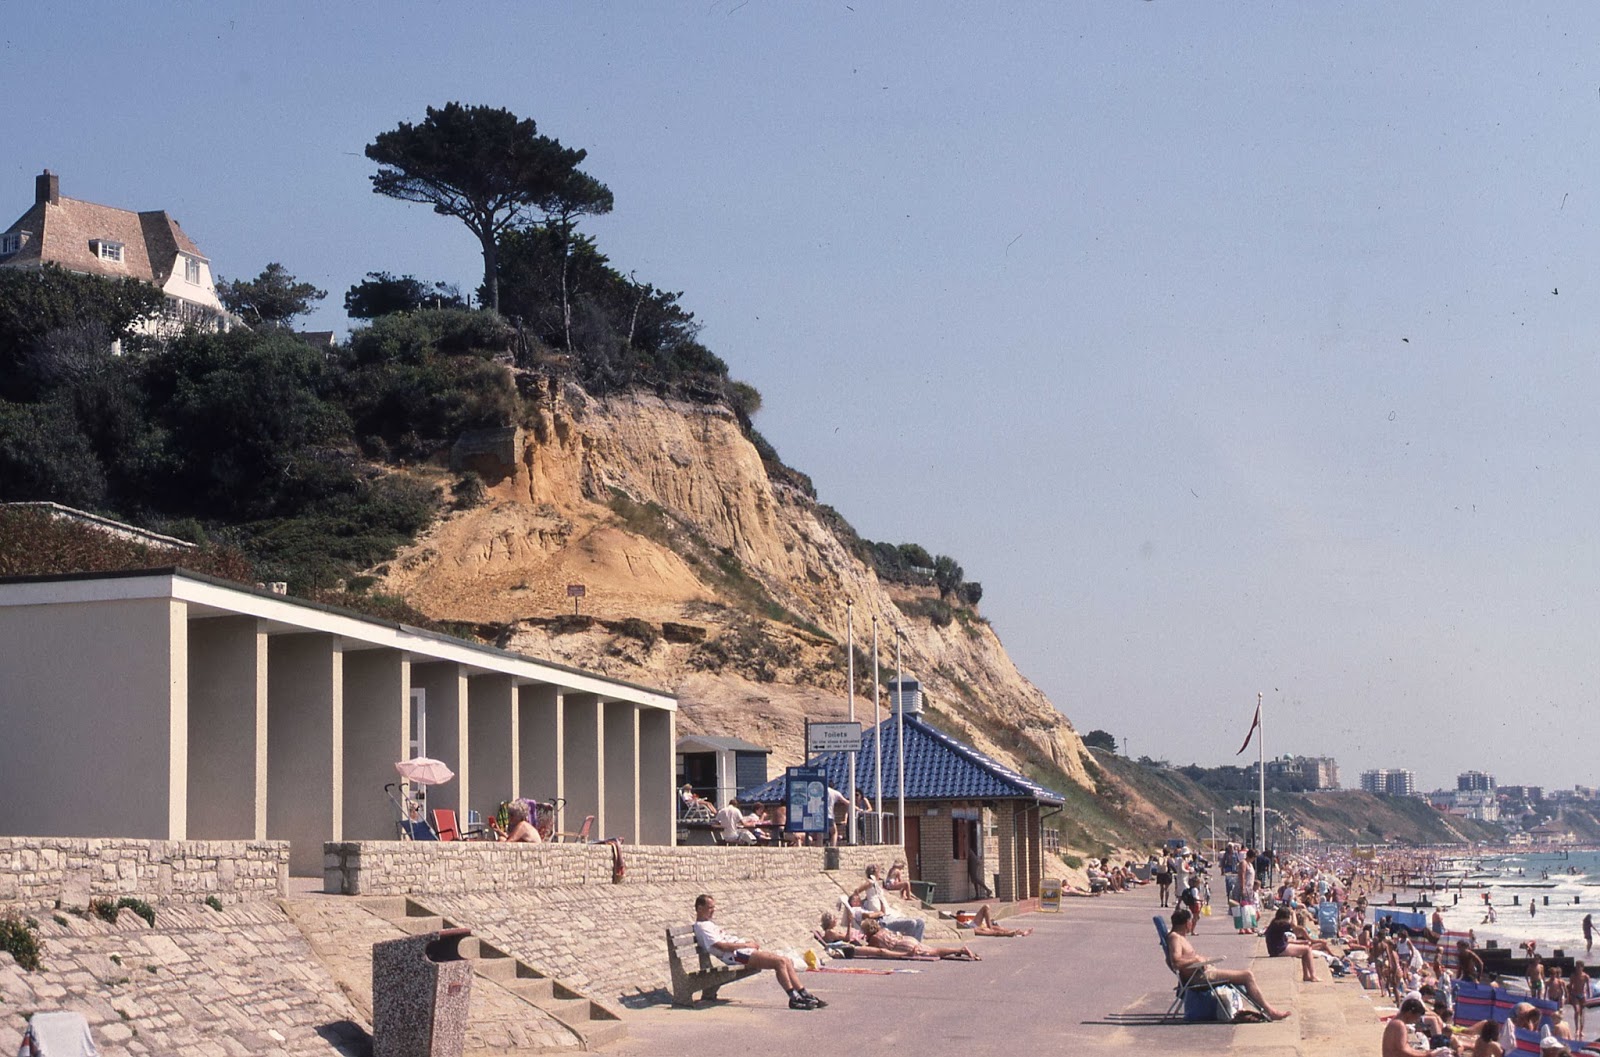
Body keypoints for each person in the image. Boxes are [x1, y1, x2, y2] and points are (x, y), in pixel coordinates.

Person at [692, 894, 826, 1010]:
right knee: (779, 963)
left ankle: (804, 994)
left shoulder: (709, 924)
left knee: (785, 960)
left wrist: (747, 945)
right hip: (736, 956)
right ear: (699, 908)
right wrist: (745, 944)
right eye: (710, 908)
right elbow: (721, 946)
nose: (713, 911)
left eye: (713, 907)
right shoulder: (702, 927)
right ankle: (793, 998)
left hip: (741, 952)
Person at [1165, 906, 1290, 1021]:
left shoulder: (1179, 937)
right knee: (1247, 975)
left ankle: (1263, 1009)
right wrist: (1197, 960)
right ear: (1187, 922)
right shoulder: (1175, 938)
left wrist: (1202, 960)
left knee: (1245, 975)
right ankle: (1270, 1011)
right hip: (1198, 978)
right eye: (1191, 921)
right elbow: (1175, 962)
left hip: (1201, 973)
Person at [860, 917, 979, 960]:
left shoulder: (875, 939)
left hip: (902, 946)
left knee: (933, 952)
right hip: (906, 939)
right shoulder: (883, 930)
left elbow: (873, 951)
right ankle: (958, 950)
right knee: (933, 950)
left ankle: (960, 950)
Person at [1264, 907, 1320, 982]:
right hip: (1278, 950)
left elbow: (1287, 941)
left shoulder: (1275, 923)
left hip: (1277, 948)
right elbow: (1294, 925)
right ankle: (1313, 976)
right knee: (1307, 949)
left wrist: (1303, 942)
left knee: (1305, 948)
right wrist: (1293, 913)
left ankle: (1306, 975)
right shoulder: (1280, 924)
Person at [961, 904, 1033, 937]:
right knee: (995, 931)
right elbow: (994, 933)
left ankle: (1022, 933)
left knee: (1000, 929)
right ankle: (1015, 933)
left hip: (974, 924)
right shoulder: (976, 930)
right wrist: (1007, 934)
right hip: (974, 927)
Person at [1571, 962, 1589, 1036]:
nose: (1577, 968)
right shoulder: (1573, 976)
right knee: (1577, 1011)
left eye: (1579, 967)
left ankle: (1581, 1030)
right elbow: (1570, 986)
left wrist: (1589, 995)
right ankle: (1576, 1029)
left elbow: (1588, 986)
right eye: (1576, 967)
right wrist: (1569, 995)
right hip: (1575, 995)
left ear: (1582, 967)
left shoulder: (1585, 976)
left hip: (1582, 995)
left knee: (1582, 1013)